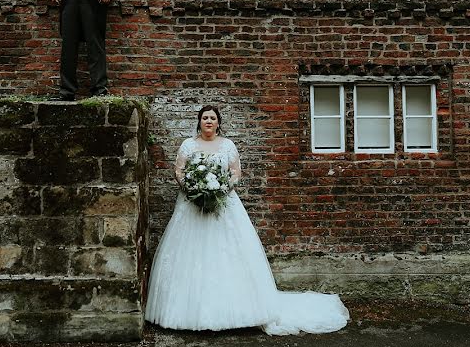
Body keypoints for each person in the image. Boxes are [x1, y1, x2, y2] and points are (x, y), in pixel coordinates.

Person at [145, 105, 350, 335]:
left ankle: (239, 312)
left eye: (212, 118)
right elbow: (179, 171)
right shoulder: (188, 145)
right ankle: (184, 312)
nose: (208, 121)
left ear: (218, 122)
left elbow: (235, 173)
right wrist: (194, 188)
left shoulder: (228, 145)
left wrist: (220, 189)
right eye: (205, 118)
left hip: (224, 205)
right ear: (199, 121)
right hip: (192, 205)